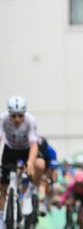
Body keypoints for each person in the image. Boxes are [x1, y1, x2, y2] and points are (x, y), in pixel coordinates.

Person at [0, 96, 45, 226]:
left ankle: (31, 189)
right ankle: (2, 219)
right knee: (3, 186)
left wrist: (30, 162)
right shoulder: (3, 119)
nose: (17, 119)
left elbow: (34, 144)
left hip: (27, 149)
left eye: (20, 116)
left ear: (24, 113)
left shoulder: (30, 120)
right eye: (13, 116)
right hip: (10, 149)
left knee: (39, 164)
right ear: (9, 114)